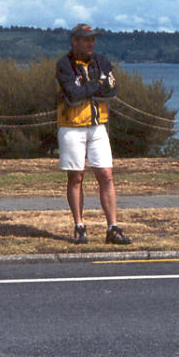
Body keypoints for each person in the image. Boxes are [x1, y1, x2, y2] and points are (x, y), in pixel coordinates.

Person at [56, 23, 131, 245]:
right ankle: (79, 226)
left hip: (98, 125)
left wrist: (88, 87)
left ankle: (112, 227)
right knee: (76, 177)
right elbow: (73, 94)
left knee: (106, 175)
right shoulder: (64, 64)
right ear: (74, 41)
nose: (90, 43)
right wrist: (97, 85)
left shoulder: (102, 61)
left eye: (92, 39)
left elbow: (113, 89)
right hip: (71, 126)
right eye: (86, 39)